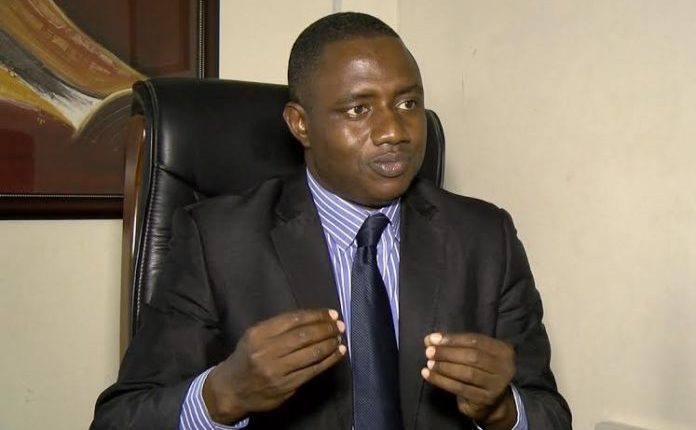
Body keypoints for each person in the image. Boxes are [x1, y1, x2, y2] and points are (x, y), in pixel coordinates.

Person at [91, 12, 571, 430]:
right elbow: (119, 419)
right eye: (359, 109)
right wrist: (222, 395)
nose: (394, 131)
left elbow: (550, 414)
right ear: (300, 124)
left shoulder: (486, 238)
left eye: (408, 103)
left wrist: (502, 411)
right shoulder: (216, 240)